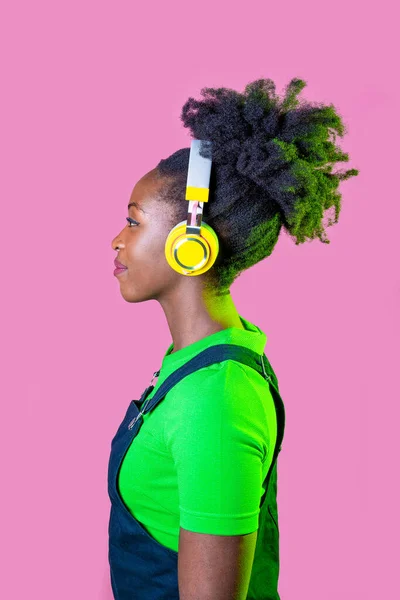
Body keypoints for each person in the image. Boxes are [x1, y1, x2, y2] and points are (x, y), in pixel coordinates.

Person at [108, 77, 359, 600]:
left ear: (191, 243)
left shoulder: (215, 400)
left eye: (132, 222)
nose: (116, 239)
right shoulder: (193, 361)